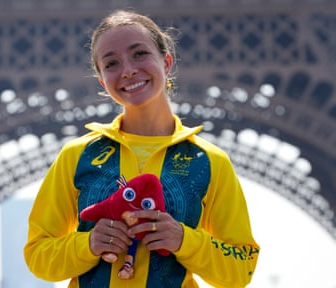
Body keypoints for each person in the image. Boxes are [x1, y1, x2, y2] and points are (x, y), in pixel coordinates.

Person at [24, 10, 260, 287]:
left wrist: (185, 240)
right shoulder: (76, 156)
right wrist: (88, 244)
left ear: (167, 62)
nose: (128, 70)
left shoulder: (210, 161)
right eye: (111, 63)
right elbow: (37, 256)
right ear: (102, 81)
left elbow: (241, 268)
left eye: (139, 54)